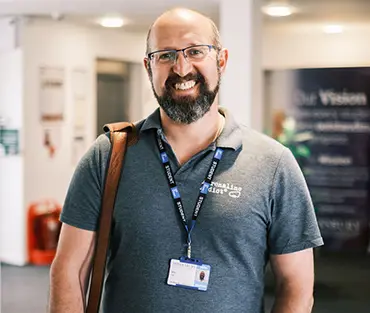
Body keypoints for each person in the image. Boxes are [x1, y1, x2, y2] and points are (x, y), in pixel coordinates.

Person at [48, 7, 323, 313]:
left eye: (195, 51)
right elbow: (68, 271)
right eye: (165, 55)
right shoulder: (108, 156)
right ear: (148, 66)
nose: (181, 68)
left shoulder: (274, 165)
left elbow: (297, 287)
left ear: (221, 60)